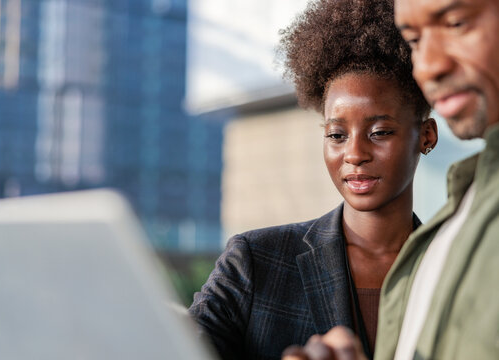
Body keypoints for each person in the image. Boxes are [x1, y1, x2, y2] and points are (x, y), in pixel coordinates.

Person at [188, 0, 438, 359]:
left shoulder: (453, 264)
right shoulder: (256, 262)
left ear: (426, 136)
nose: (354, 154)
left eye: (380, 132)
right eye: (337, 135)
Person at [282, 0, 499, 359]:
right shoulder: (456, 227)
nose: (428, 67)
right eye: (415, 40)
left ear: (426, 137)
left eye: (455, 23)